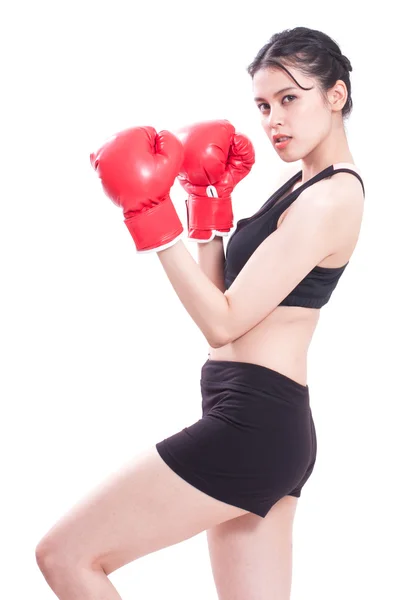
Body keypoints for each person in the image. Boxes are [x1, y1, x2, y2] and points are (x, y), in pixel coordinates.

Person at [35, 26, 365, 600]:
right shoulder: (300, 188)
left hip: (252, 426)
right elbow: (223, 303)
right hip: (263, 422)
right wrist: (205, 210)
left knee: (66, 556)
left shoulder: (333, 198)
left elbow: (223, 322)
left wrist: (152, 220)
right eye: (263, 106)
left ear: (334, 96)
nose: (273, 121)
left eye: (290, 99)